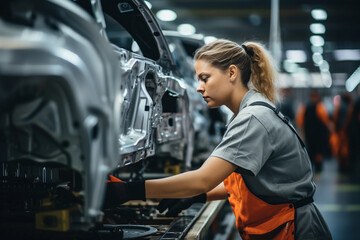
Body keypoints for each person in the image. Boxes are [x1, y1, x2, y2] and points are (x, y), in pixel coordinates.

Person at [105, 39, 332, 240]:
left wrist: (130, 191)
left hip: (296, 230)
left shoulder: (252, 118)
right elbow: (245, 182)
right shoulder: (250, 111)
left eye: (205, 78)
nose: (199, 87)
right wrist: (199, 196)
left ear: (232, 73)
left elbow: (203, 178)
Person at [296, 91, 331, 173]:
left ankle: (311, 166)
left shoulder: (305, 107)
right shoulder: (320, 107)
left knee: (310, 150)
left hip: (308, 133)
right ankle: (319, 168)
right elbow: (325, 120)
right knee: (319, 150)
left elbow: (300, 121)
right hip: (319, 134)